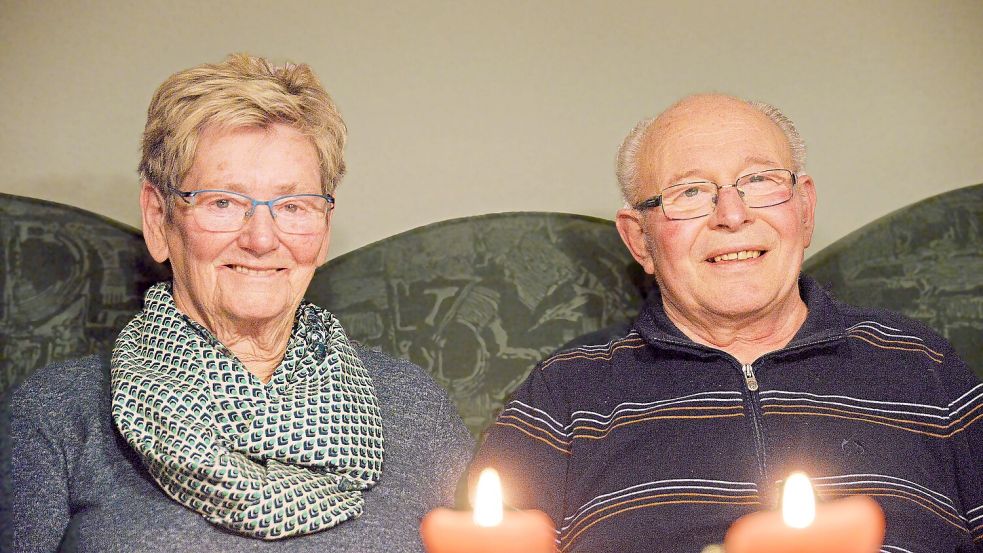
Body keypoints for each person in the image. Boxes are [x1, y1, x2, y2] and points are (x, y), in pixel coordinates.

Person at [2, 53, 473, 552]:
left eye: (293, 206)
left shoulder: (415, 407)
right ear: (159, 220)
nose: (262, 239)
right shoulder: (56, 416)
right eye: (224, 202)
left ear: (324, 229)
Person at [472, 94, 983, 552]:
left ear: (803, 210)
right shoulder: (564, 393)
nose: (732, 215)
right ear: (640, 240)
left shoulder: (923, 365)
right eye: (690, 192)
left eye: (760, 182)